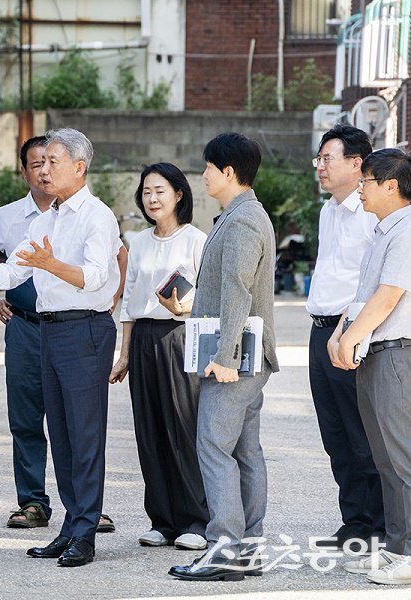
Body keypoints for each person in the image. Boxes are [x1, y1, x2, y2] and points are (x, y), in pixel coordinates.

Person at [0, 128, 121, 567]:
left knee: (84, 434)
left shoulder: (97, 217)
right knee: (60, 433)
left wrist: (51, 264)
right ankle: (70, 525)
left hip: (86, 330)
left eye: (53, 161)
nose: (44, 168)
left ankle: (86, 533)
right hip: (49, 328)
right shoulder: (45, 220)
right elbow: (10, 277)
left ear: (79, 168)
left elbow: (97, 278)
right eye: (40, 162)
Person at [169, 132, 278, 582]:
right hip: (244, 356)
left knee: (214, 447)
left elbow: (238, 290)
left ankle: (224, 549)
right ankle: (247, 549)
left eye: (208, 167)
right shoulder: (239, 215)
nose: (203, 175)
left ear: (227, 171)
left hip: (236, 359)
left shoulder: (243, 220)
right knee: (244, 452)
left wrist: (226, 355)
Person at [110, 162, 209, 550]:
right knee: (149, 430)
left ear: (179, 194)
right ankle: (162, 520)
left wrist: (186, 308)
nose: (152, 198)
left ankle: (195, 521)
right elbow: (131, 301)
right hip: (146, 340)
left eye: (160, 191)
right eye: (147, 191)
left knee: (182, 429)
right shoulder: (139, 241)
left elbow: (209, 295)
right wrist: (125, 353)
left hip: (181, 337)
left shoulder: (196, 240)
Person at [331, 148, 411, 585]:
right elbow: (364, 294)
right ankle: (398, 549)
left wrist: (350, 335)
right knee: (384, 458)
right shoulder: (383, 231)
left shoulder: (407, 229)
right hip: (376, 352)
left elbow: (389, 295)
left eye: (366, 181)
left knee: (401, 457)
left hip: (397, 351)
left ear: (391, 185)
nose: (360, 189)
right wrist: (340, 330)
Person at [307, 125, 384, 550]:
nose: (320, 166)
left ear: (357, 164)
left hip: (353, 333)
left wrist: (353, 332)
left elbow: (375, 284)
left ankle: (381, 523)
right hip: (321, 330)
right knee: (334, 434)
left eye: (327, 159)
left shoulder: (373, 212)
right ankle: (354, 521)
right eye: (318, 159)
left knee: (363, 433)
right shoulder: (328, 211)